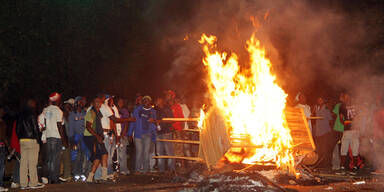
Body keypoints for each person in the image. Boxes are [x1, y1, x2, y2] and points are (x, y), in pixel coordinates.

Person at [16, 99, 44, 189]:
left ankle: (23, 184)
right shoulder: (32, 114)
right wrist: (38, 140)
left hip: (23, 140)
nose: (35, 106)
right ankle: (33, 183)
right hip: (32, 140)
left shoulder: (20, 115)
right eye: (34, 104)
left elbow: (17, 129)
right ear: (31, 104)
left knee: (23, 163)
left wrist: (20, 137)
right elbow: (35, 128)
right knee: (32, 163)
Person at [44, 92, 68, 184]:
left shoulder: (46, 110)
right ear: (57, 100)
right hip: (56, 136)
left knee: (50, 158)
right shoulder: (58, 111)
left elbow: (45, 123)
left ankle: (50, 178)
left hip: (49, 136)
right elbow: (59, 125)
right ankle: (55, 178)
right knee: (56, 158)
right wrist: (63, 139)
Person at [129, 96, 157, 173]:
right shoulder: (137, 110)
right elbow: (133, 122)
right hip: (138, 134)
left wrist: (153, 122)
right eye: (144, 100)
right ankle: (137, 170)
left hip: (148, 134)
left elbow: (155, 123)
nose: (145, 101)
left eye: (147, 100)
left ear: (150, 102)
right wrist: (130, 133)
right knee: (139, 152)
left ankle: (145, 170)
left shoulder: (153, 111)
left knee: (146, 153)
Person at [85, 97, 109, 182]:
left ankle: (90, 178)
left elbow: (97, 126)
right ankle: (103, 176)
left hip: (95, 136)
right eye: (96, 101)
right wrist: (97, 136)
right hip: (92, 137)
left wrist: (105, 130)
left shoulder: (98, 113)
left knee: (98, 157)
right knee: (104, 154)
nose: (98, 103)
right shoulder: (91, 112)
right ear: (93, 103)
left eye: (100, 102)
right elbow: (88, 126)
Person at [68, 98, 88, 181]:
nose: (81, 103)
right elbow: (71, 128)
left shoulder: (85, 113)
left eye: (82, 102)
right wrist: (72, 139)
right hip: (75, 137)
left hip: (84, 137)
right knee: (76, 156)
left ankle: (83, 173)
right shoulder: (72, 114)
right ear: (76, 103)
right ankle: (76, 173)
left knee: (84, 156)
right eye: (80, 102)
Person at [155, 98, 175, 173]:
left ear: (161, 101)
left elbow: (171, 120)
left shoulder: (167, 109)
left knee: (169, 151)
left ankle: (171, 169)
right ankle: (161, 169)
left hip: (166, 132)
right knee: (160, 152)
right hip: (159, 132)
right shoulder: (156, 110)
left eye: (157, 100)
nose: (156, 102)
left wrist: (161, 122)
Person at [339, 93, 359, 170]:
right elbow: (341, 117)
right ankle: (343, 166)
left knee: (354, 149)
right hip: (348, 130)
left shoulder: (355, 105)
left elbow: (359, 115)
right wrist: (344, 123)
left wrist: (356, 123)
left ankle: (354, 166)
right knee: (345, 148)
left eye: (348, 96)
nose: (347, 98)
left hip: (354, 130)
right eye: (346, 97)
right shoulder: (342, 106)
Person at [165, 90, 184, 168]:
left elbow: (182, 119)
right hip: (169, 130)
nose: (166, 97)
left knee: (179, 149)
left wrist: (181, 130)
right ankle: (173, 166)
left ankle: (181, 166)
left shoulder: (177, 106)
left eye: (168, 95)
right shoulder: (166, 107)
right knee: (171, 149)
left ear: (172, 96)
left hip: (177, 130)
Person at [313, 97, 333, 168]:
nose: (319, 101)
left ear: (323, 100)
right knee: (319, 149)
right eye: (318, 99)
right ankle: (320, 164)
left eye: (321, 99)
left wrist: (329, 131)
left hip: (325, 132)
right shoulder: (316, 108)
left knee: (325, 149)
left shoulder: (326, 109)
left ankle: (326, 165)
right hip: (318, 132)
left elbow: (331, 121)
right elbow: (313, 117)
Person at [60, 99, 74, 182]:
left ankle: (67, 175)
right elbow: (62, 128)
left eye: (69, 106)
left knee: (68, 157)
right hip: (65, 138)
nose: (68, 107)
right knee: (65, 157)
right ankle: (66, 175)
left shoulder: (70, 115)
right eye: (67, 105)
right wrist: (63, 139)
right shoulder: (62, 115)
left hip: (70, 138)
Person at [117, 98, 130, 175]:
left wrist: (123, 134)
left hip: (122, 134)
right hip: (116, 134)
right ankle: (117, 169)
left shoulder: (124, 111)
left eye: (122, 102)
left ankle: (124, 169)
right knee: (117, 153)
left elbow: (126, 122)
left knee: (123, 153)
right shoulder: (114, 109)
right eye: (119, 102)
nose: (120, 103)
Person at [0, 106, 8, 192]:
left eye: (3, 111)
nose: (2, 113)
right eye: (1, 111)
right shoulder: (2, 123)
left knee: (2, 166)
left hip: (2, 146)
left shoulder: (3, 122)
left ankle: (1, 185)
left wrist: (8, 146)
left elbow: (4, 136)